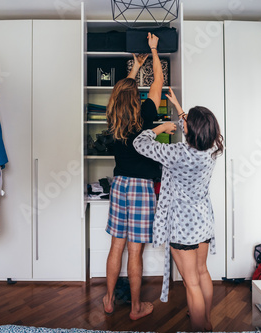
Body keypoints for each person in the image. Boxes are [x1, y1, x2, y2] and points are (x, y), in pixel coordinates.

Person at [133, 88, 224, 331]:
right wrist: (180, 110)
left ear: (189, 130)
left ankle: (198, 327)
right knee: (203, 273)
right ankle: (205, 321)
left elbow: (139, 143)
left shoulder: (176, 153)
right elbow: (196, 130)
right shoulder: (211, 150)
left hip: (183, 226)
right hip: (203, 220)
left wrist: (160, 128)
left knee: (190, 282)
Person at [102, 33, 177, 321]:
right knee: (135, 252)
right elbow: (157, 82)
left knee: (116, 247)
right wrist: (154, 52)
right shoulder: (145, 113)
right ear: (136, 95)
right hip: (143, 187)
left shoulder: (113, 116)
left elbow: (120, 93)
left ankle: (109, 300)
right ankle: (135, 307)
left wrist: (134, 67)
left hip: (120, 185)